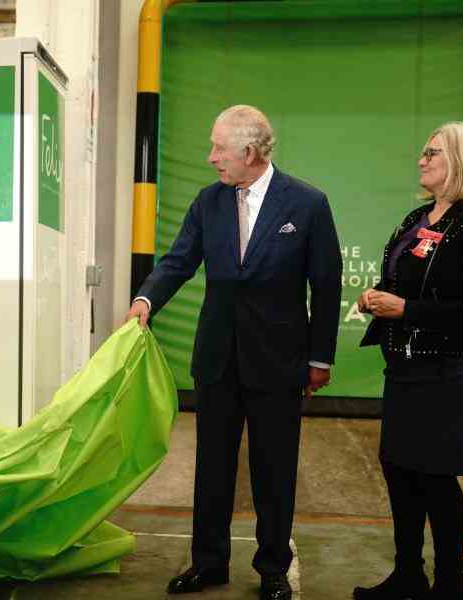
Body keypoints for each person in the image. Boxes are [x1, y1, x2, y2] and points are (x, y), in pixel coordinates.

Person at [126, 105, 342, 600]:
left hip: (280, 361)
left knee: (274, 469)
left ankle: (271, 569)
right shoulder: (209, 202)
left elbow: (326, 287)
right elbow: (178, 260)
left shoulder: (307, 204)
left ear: (249, 152)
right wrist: (146, 299)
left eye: (218, 148)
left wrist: (320, 359)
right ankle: (208, 563)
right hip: (218, 359)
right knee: (213, 467)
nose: (210, 158)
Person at [354, 122, 463, 600]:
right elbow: (406, 281)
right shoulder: (418, 217)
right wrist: (378, 298)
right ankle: (408, 574)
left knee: (436, 476)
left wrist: (407, 309)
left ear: (460, 161)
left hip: (449, 370)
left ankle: (449, 584)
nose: (421, 159)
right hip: (405, 366)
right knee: (399, 469)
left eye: (432, 152)